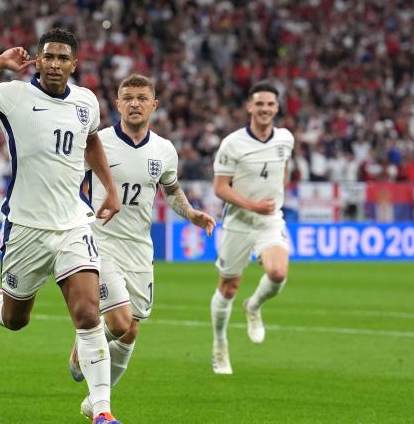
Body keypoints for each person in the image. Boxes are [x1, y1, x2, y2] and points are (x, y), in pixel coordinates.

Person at [0, 27, 123, 424]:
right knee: (14, 319)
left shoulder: (87, 102)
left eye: (62, 58)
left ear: (75, 64)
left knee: (89, 315)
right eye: (48, 57)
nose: (55, 64)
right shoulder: (14, 94)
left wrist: (110, 187)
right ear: (37, 60)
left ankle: (102, 411)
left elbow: (91, 142)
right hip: (26, 227)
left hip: (73, 223)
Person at [68, 74, 216, 417]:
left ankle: (94, 402)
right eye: (128, 97)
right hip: (100, 241)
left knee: (131, 331)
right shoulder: (97, 142)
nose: (134, 103)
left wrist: (191, 213)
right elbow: (71, 181)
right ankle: (86, 344)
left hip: (139, 248)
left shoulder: (164, 150)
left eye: (141, 97)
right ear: (117, 104)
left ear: (154, 105)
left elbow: (171, 189)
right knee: (118, 323)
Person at [210, 82, 294, 374]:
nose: (265, 109)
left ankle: (254, 306)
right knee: (228, 286)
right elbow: (220, 188)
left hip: (270, 221)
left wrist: (271, 202)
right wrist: (251, 204)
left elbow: (281, 171)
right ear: (249, 106)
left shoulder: (286, 139)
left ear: (277, 108)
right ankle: (220, 344)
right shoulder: (232, 143)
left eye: (270, 104)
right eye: (259, 104)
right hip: (239, 221)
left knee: (278, 272)